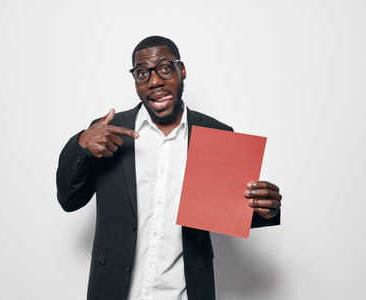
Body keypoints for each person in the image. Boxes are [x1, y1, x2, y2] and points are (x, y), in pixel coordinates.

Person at [56, 36, 282, 300]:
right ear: (135, 81)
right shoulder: (108, 133)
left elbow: (226, 211)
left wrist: (265, 210)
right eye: (142, 74)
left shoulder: (216, 134)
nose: (155, 82)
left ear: (181, 70)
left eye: (164, 68)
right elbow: (68, 200)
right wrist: (81, 144)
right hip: (116, 291)